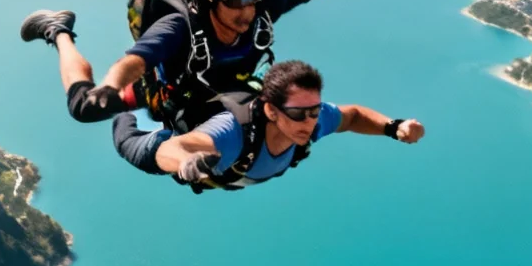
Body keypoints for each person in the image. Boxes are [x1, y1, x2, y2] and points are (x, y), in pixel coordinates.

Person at [19, 0, 389, 132]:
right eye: (236, 3)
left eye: (253, 1)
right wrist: (110, 87)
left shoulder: (261, 7)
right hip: (166, 90)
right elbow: (135, 61)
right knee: (84, 109)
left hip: (225, 91)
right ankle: (58, 30)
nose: (246, 13)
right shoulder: (181, 27)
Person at [112, 59, 423, 190]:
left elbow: (352, 115)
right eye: (299, 113)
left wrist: (393, 127)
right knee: (126, 141)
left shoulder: (311, 120)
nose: (310, 120)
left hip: (228, 170)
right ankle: (122, 95)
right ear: (271, 111)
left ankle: (151, 88)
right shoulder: (234, 131)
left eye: (314, 110)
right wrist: (185, 162)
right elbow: (175, 147)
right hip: (169, 142)